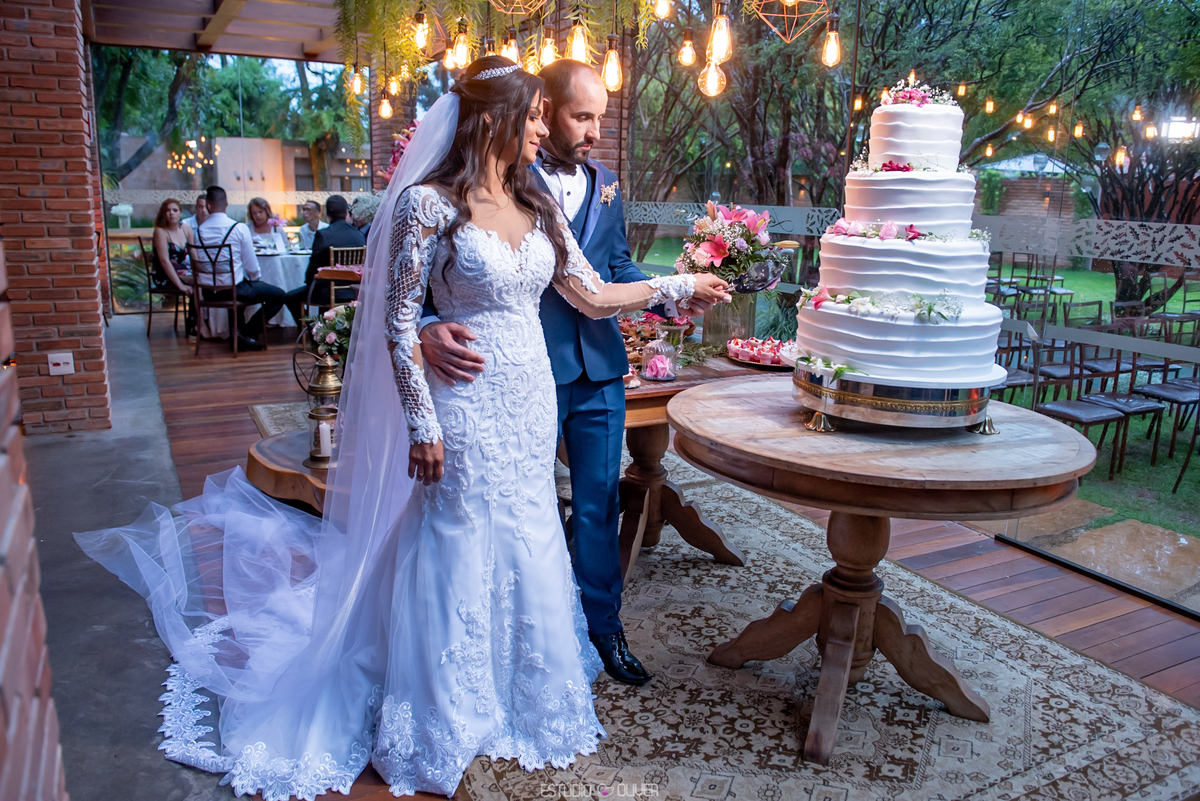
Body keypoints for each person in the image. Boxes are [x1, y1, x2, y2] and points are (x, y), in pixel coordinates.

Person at [74, 57, 729, 800]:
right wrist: (422, 423)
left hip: (529, 400)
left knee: (529, 529)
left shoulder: (537, 199)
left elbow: (592, 292)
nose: (542, 129)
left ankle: (522, 692)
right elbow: (395, 319)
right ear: (494, 118)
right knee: (457, 532)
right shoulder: (428, 204)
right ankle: (444, 711)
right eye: (534, 116)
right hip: (464, 402)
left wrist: (681, 284)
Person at [420, 59, 716, 687]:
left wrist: (671, 296)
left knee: (598, 503)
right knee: (514, 508)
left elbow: (611, 270)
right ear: (543, 112)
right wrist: (424, 328)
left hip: (600, 367)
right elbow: (423, 280)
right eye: (582, 117)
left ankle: (602, 627)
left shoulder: (604, 183)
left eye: (600, 118)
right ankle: (510, 637)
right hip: (514, 372)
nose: (594, 132)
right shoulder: (493, 177)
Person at [191, 186, 288, 351]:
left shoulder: (198, 231)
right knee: (279, 295)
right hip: (233, 290)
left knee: (241, 286)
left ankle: (238, 333)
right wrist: (255, 280)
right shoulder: (239, 228)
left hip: (208, 292)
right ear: (226, 204)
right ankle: (246, 332)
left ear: (208, 206)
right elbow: (252, 267)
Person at [283, 195, 366, 325]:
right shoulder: (359, 235)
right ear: (346, 212)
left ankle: (310, 331)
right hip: (353, 291)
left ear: (327, 214)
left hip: (327, 292)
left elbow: (313, 269)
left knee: (289, 297)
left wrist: (309, 281)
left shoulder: (323, 235)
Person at [150, 198, 192, 292]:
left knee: (203, 279)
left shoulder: (186, 229)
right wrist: (181, 285)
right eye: (168, 210)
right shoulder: (160, 231)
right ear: (163, 214)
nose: (171, 213)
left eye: (175, 210)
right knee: (198, 282)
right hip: (165, 274)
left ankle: (199, 301)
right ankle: (199, 301)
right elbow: (164, 261)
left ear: (180, 213)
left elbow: (194, 254)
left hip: (184, 271)